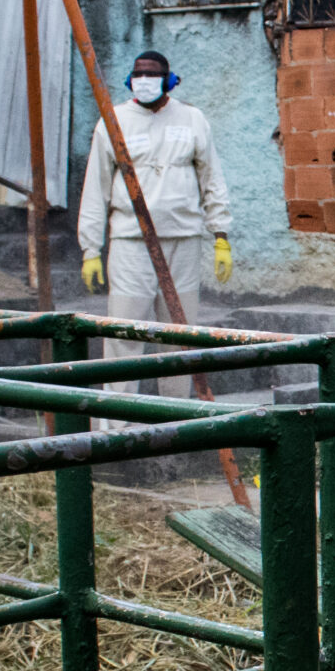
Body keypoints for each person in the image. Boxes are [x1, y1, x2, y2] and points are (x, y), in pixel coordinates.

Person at [77, 50, 233, 409]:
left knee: (179, 335)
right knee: (123, 332)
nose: (144, 80)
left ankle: (176, 418)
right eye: (138, 74)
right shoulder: (113, 121)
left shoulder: (192, 119)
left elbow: (212, 179)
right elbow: (95, 189)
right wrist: (90, 250)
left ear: (169, 80)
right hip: (131, 242)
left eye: (152, 74)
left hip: (183, 239)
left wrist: (220, 236)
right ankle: (115, 425)